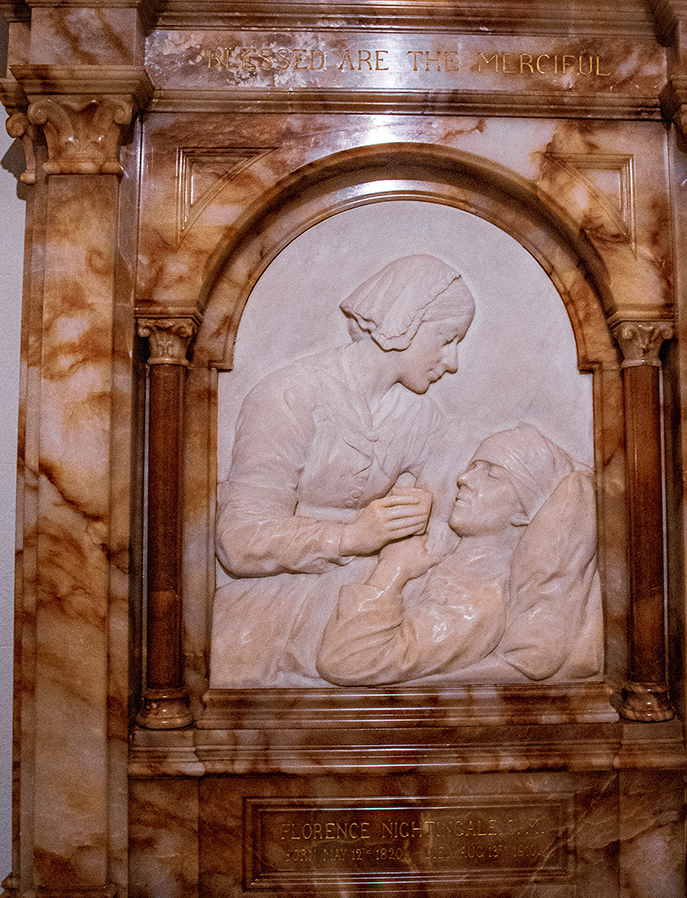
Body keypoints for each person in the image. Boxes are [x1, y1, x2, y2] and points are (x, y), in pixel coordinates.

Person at [211, 254, 475, 686]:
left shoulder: (422, 417)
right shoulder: (290, 396)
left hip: (361, 594)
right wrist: (351, 536)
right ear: (405, 323)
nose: (452, 361)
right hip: (280, 605)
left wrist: (429, 518)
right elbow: (236, 540)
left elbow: (441, 525)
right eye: (446, 339)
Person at [317, 424, 603, 687]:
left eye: (492, 474)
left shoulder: (476, 600)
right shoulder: (452, 560)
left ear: (523, 513)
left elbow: (348, 662)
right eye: (473, 467)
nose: (463, 478)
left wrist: (392, 570)